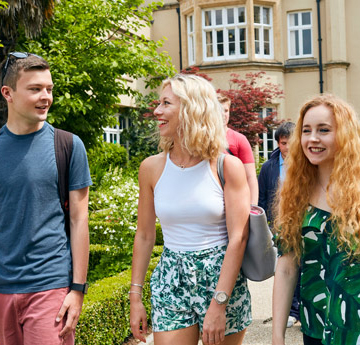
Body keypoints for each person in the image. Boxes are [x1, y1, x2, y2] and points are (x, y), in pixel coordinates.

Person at [130, 74, 251, 345]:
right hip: (171, 276)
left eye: (166, 103)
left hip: (221, 279)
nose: (157, 110)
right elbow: (145, 235)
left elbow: (238, 238)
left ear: (191, 109)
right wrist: (135, 297)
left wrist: (219, 303)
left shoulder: (226, 166)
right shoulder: (151, 168)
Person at [0, 52, 92, 345]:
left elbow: (79, 221)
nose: (46, 97)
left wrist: (77, 289)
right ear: (8, 93)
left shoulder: (67, 145)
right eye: (35, 89)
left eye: (49, 89)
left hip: (49, 287)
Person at [272, 94, 360, 345]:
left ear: (344, 134)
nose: (312, 139)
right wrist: (277, 335)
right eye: (306, 130)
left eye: (324, 130)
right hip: (316, 329)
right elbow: (287, 266)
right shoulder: (295, 193)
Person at [258, 122, 300, 328]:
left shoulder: (307, 163)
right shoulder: (268, 167)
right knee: (286, 267)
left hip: (303, 222)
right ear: (278, 143)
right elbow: (262, 199)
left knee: (304, 267)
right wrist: (266, 226)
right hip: (279, 225)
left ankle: (303, 309)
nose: (288, 147)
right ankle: (292, 311)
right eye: (284, 143)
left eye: (292, 142)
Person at [218, 95, 258, 205]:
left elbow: (250, 177)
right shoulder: (201, 139)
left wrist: (253, 207)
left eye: (226, 110)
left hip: (236, 201)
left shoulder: (239, 139)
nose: (223, 114)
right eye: (219, 110)